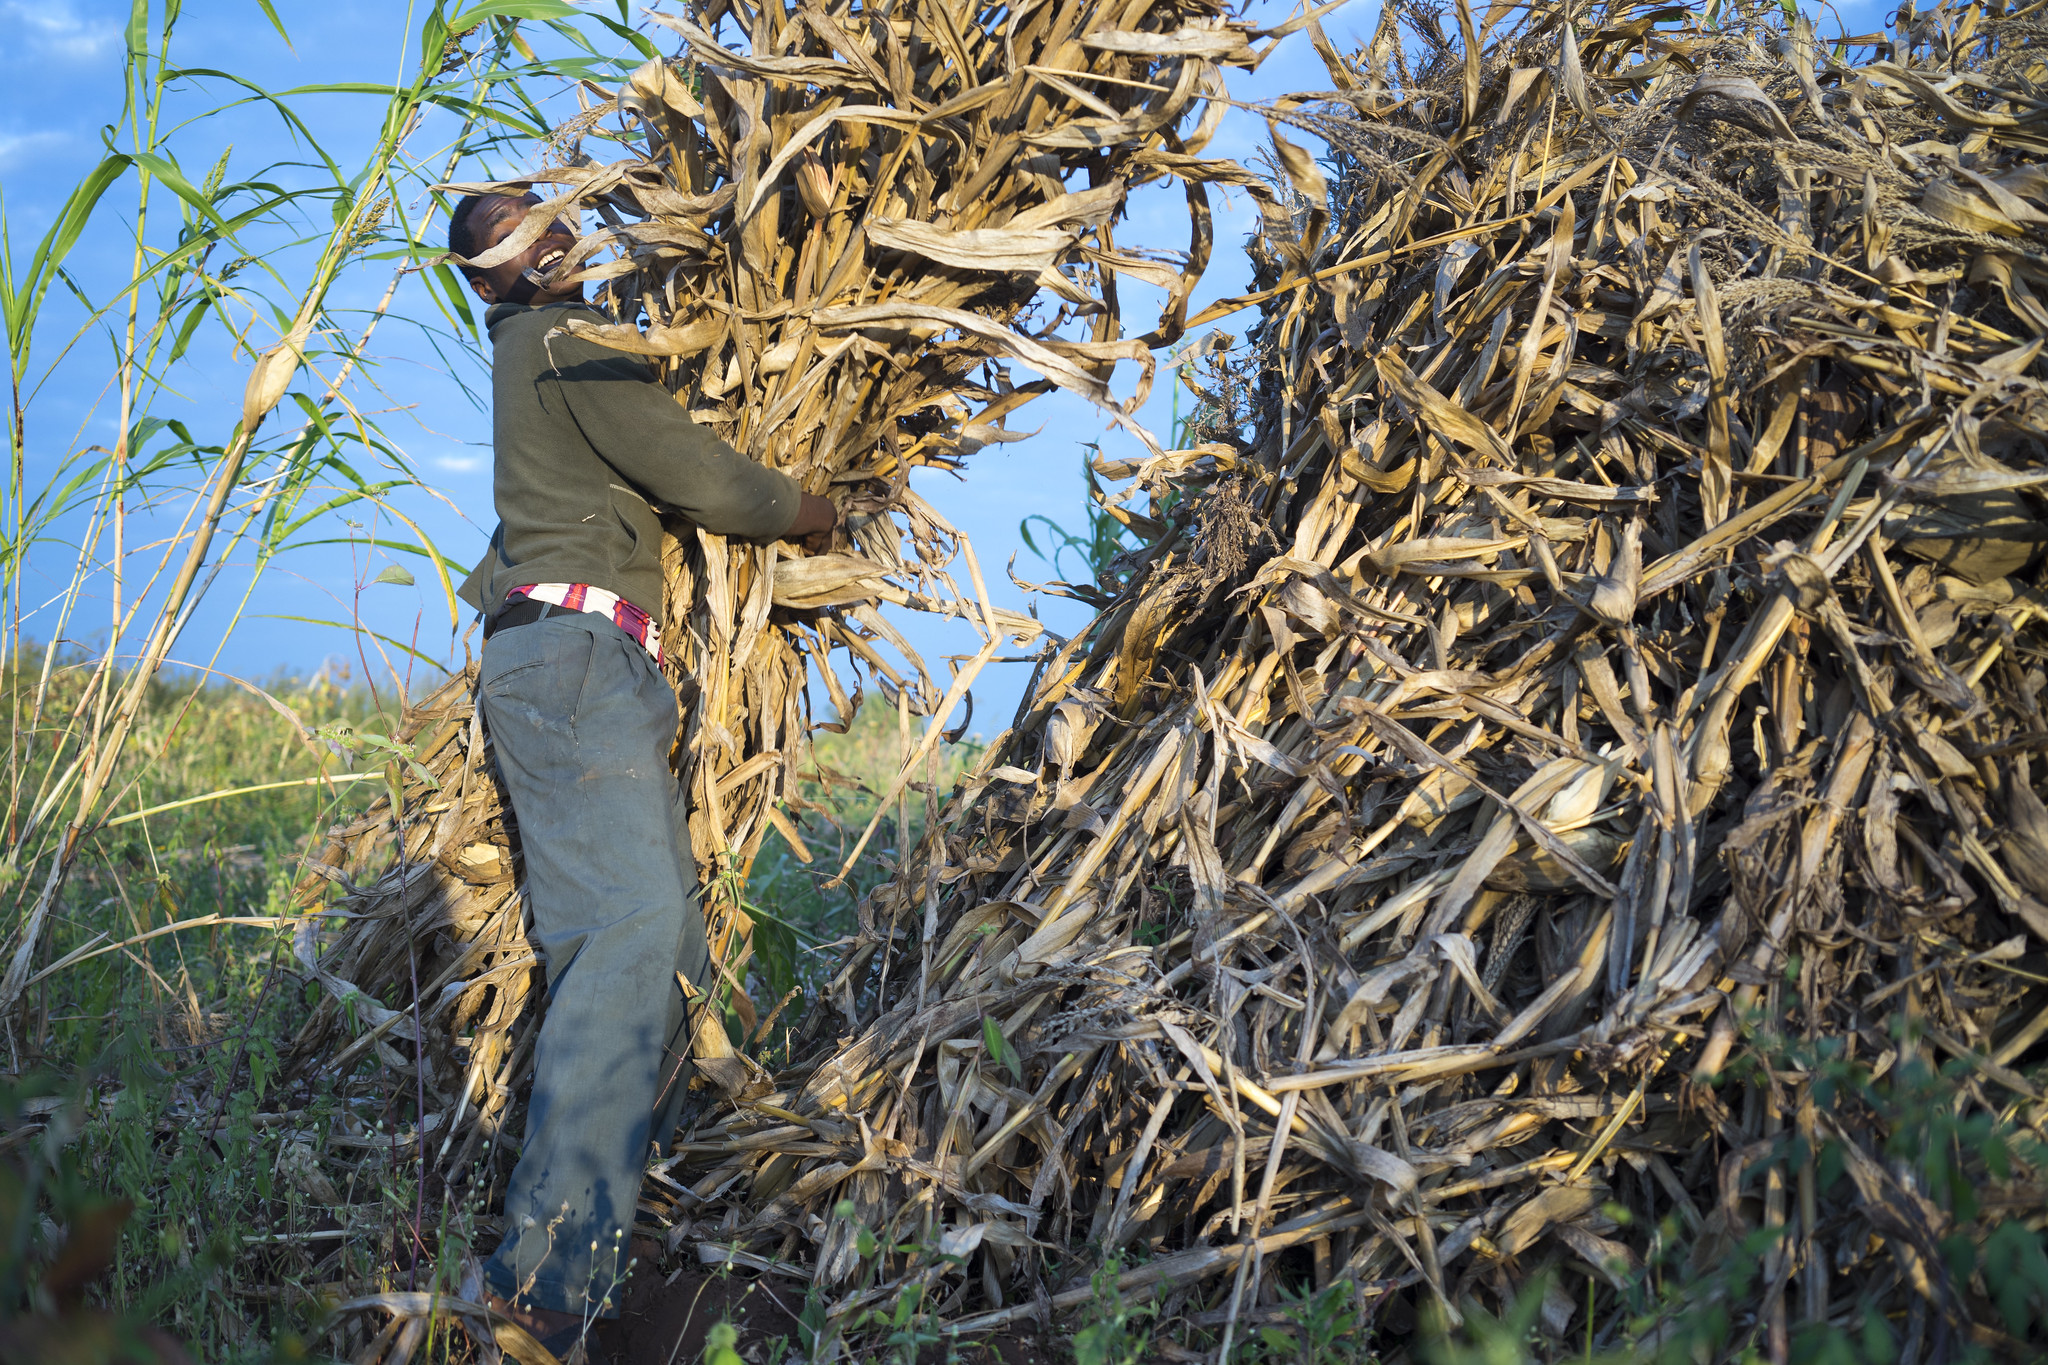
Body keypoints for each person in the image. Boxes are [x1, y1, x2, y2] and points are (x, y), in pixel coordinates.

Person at [445, 191, 835, 1358]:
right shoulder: (566, 346)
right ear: (497, 280)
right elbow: (708, 480)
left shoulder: (543, 348)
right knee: (629, 931)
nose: (556, 240)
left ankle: (632, 1229)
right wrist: (805, 511)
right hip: (572, 661)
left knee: (657, 945)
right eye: (525, 239)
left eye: (552, 221)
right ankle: (544, 1278)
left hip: (566, 662)